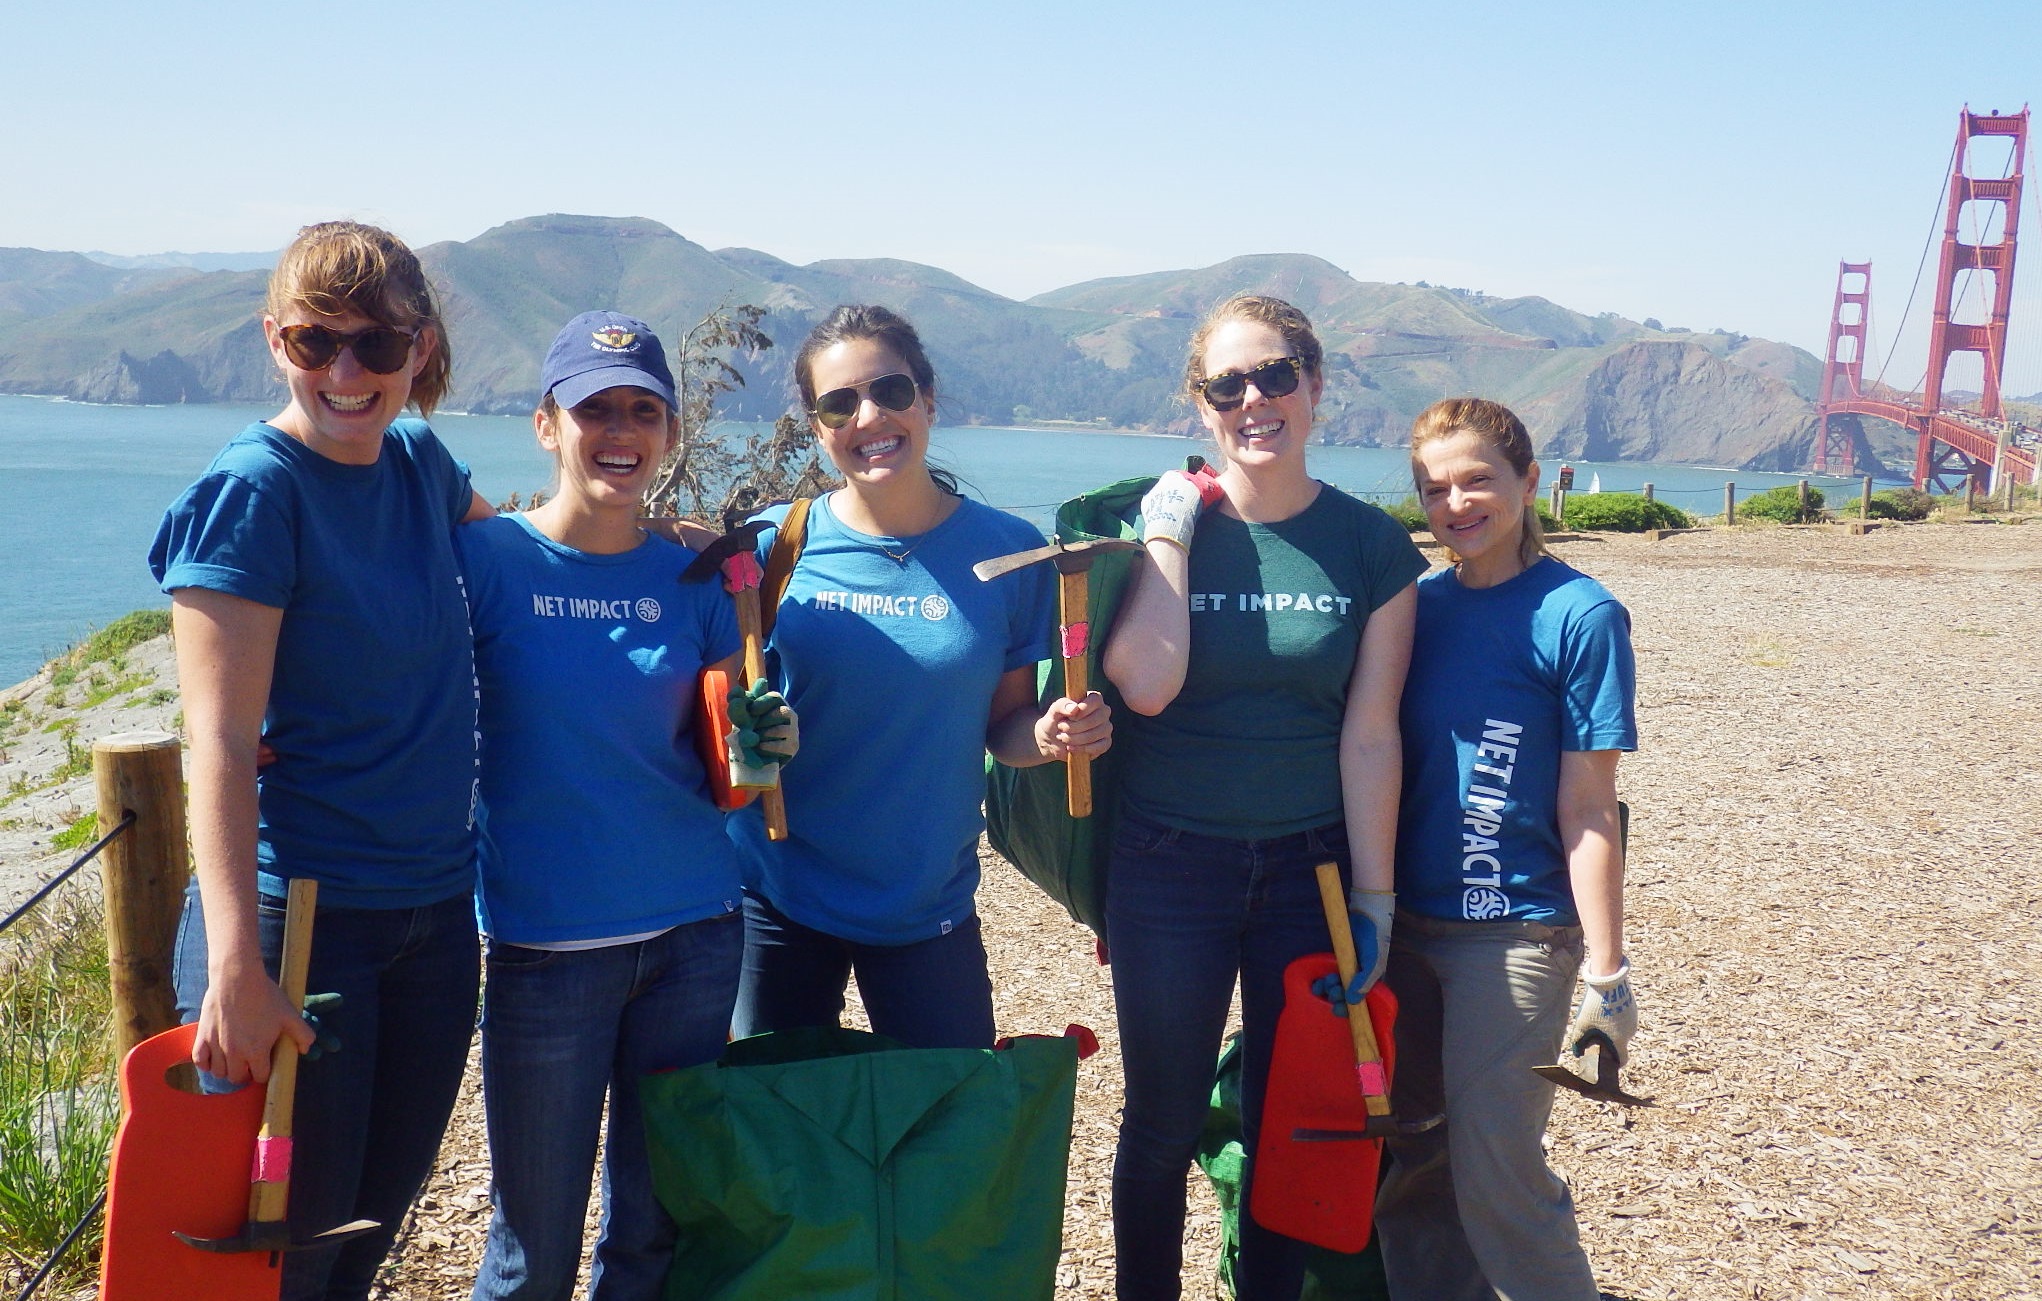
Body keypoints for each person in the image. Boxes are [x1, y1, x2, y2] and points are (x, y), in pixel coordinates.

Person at [150, 220, 493, 1301]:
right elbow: (213, 740)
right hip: (301, 925)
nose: (346, 372)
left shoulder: (418, 462)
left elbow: (525, 570)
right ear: (274, 339)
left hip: (437, 913)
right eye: (314, 342)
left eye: (378, 346)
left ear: (420, 347)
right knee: (277, 1253)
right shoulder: (255, 491)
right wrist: (236, 966)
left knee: (364, 1232)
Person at [1099, 294, 1426, 1300]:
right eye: (1226, 383)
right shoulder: (1165, 526)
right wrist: (1167, 535)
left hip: (1307, 873)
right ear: (1199, 404)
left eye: (1275, 374)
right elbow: (1142, 683)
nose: (1254, 398)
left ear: (1314, 387)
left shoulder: (1370, 546)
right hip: (1167, 865)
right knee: (1158, 1120)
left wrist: (1371, 902)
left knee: (1286, 1123)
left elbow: (1369, 734)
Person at [461, 312, 791, 1300]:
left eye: (641, 410)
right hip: (544, 950)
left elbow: (733, 748)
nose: (618, 430)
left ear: (669, 433)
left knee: (651, 1233)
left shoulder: (696, 576)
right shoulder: (486, 564)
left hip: (695, 935)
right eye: (592, 407)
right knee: (533, 1250)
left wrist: (770, 743)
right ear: (545, 426)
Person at [727, 303, 1110, 1051]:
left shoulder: (1007, 551)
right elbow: (717, 704)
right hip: (777, 893)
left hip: (925, 904)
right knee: (775, 1139)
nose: (870, 415)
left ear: (928, 400)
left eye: (891, 391)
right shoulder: (776, 546)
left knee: (946, 1135)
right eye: (839, 403)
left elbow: (1004, 728)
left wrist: (1052, 733)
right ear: (817, 426)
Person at [1373, 396, 1638, 1301]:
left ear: (1529, 480)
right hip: (1402, 925)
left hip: (1515, 934)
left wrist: (1608, 970)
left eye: (1479, 478)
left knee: (1499, 1175)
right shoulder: (1413, 607)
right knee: (1411, 1165)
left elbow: (1591, 808)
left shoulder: (1582, 615)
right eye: (1434, 488)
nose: (1457, 504)